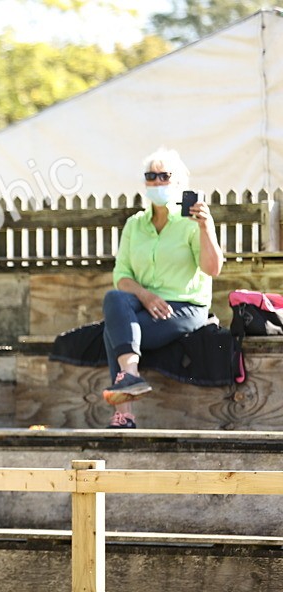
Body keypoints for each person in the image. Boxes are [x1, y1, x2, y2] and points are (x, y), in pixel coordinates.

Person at [101, 148, 225, 428]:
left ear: (180, 181)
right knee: (114, 300)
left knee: (114, 331)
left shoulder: (193, 223)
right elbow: (122, 275)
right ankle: (130, 374)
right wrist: (145, 296)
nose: (157, 182)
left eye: (164, 176)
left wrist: (207, 228)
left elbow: (212, 269)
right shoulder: (135, 224)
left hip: (185, 307)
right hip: (143, 303)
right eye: (151, 176)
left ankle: (125, 413)